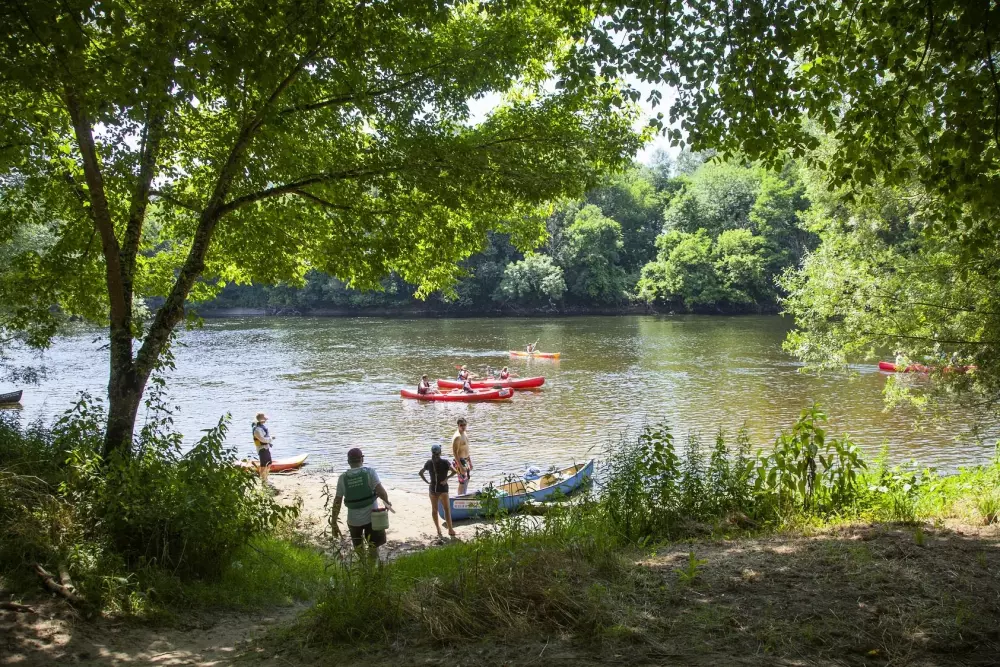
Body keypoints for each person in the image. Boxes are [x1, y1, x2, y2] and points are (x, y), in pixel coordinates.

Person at [330, 448, 393, 559]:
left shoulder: (342, 478)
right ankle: (372, 568)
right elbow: (382, 492)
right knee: (373, 547)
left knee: (359, 548)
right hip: (372, 519)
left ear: (348, 461)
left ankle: (363, 566)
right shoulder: (370, 472)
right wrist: (387, 503)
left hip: (353, 521)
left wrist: (334, 521)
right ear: (362, 459)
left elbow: (337, 502)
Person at [419, 444, 457, 540]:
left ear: (432, 452)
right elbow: (454, 471)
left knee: (434, 510)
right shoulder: (445, 462)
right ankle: (450, 530)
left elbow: (420, 473)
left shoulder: (429, 462)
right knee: (447, 510)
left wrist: (427, 482)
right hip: (443, 489)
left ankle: (438, 529)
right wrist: (446, 479)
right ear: (440, 452)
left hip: (433, 490)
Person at [452, 417, 473, 495]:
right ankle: (460, 496)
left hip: (466, 460)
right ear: (458, 425)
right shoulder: (457, 437)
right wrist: (460, 467)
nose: (463, 427)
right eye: (461, 425)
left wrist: (470, 462)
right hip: (459, 461)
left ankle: (464, 494)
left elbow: (466, 449)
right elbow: (454, 453)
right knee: (462, 481)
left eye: (465, 425)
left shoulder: (464, 433)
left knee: (467, 479)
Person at [252, 413, 273, 485]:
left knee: (269, 463)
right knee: (263, 465)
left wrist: (269, 440)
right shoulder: (257, 429)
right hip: (262, 449)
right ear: (261, 420)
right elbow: (262, 440)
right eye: (264, 419)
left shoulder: (262, 427)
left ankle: (266, 478)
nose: (266, 420)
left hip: (266, 447)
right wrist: (271, 439)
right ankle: (263, 481)